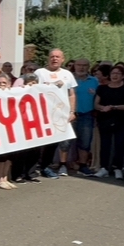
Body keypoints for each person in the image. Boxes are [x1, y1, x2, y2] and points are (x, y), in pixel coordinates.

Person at [33, 49, 77, 177]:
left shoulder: (67, 74)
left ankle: (45, 167)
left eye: (58, 57)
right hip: (42, 114)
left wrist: (72, 111)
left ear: (63, 59)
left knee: (54, 143)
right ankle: (33, 167)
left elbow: (72, 94)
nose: (55, 59)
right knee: (39, 143)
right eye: (52, 56)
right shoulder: (40, 73)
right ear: (48, 58)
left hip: (60, 115)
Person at [93, 64, 124, 179]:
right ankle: (104, 168)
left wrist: (114, 107)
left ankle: (118, 168)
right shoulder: (102, 88)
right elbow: (96, 104)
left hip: (122, 120)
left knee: (119, 144)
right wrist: (103, 108)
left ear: (123, 76)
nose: (115, 76)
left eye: (118, 73)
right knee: (105, 144)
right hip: (105, 119)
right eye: (113, 73)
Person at [69, 59, 99, 176]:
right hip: (70, 114)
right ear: (75, 66)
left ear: (88, 67)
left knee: (85, 142)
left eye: (84, 65)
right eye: (79, 65)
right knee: (66, 142)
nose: (81, 68)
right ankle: (63, 164)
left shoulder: (94, 81)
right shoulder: (69, 80)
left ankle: (82, 165)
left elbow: (98, 98)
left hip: (87, 114)